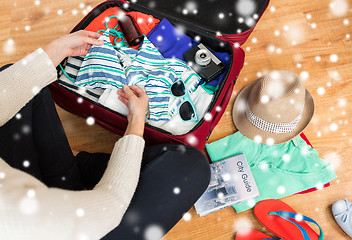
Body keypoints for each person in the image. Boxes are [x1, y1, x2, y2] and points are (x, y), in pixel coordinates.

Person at [0, 30, 210, 240]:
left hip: (32, 194)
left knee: (19, 81)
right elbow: (109, 209)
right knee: (191, 167)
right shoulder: (12, 218)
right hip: (75, 225)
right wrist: (135, 121)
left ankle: (71, 165)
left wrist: (56, 50)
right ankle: (74, 171)